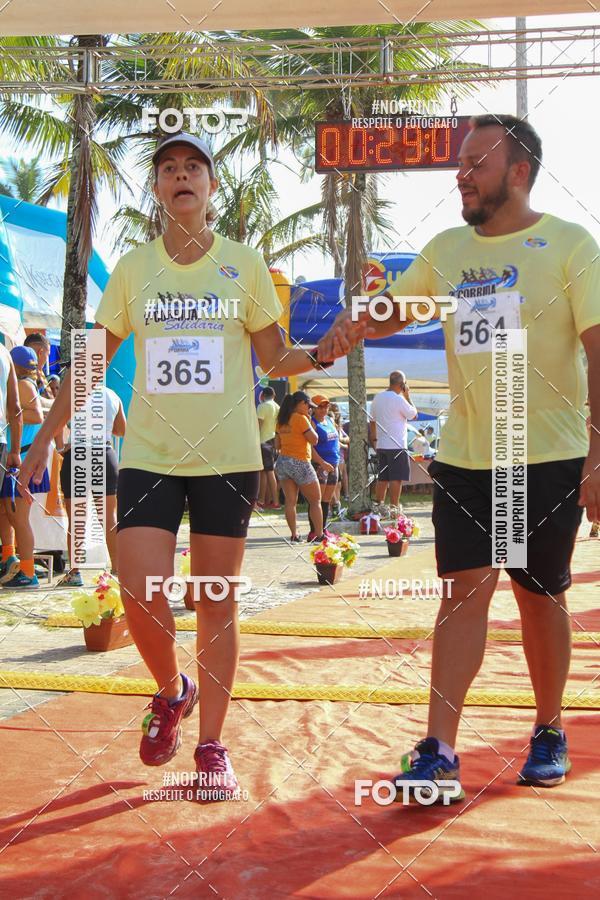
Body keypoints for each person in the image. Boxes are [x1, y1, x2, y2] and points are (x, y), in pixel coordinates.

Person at [19, 132, 333, 798]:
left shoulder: (244, 264)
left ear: (211, 187)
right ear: (158, 190)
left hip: (226, 460)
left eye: (193, 167)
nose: (180, 176)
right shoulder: (134, 269)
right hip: (151, 459)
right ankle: (173, 689)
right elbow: (92, 360)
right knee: (139, 592)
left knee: (214, 603)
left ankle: (213, 746)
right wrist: (46, 437)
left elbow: (274, 358)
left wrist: (325, 354)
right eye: (167, 169)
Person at [318, 114, 600, 799]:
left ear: (520, 172)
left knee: (539, 600)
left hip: (546, 458)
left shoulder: (570, 245)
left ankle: (548, 727)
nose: (462, 175)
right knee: (461, 596)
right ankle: (439, 747)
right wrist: (354, 322)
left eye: (477, 163)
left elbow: (599, 350)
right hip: (469, 458)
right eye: (462, 163)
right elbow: (399, 308)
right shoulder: (447, 250)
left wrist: (598, 455)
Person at [55, 383, 127, 587]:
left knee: (76, 517)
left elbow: (56, 423)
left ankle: (74, 572)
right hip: (104, 453)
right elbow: (121, 430)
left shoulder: (71, 392)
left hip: (77, 453)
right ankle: (117, 570)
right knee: (109, 517)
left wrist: (62, 446)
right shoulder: (112, 395)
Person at [0, 345, 48, 589]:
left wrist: (9, 414)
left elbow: (37, 415)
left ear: (14, 367)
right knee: (8, 515)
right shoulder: (27, 383)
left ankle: (28, 573)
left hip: (22, 459)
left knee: (19, 518)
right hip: (19, 457)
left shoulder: (23, 385)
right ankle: (11, 559)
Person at [274, 391, 324, 543]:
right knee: (315, 501)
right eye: (308, 405)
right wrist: (309, 421)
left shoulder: (281, 420)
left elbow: (277, 445)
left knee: (290, 502)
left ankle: (294, 535)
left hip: (283, 462)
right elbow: (314, 440)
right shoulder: (301, 418)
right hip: (300, 462)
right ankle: (320, 535)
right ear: (301, 403)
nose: (310, 409)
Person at [369, 371, 417, 519]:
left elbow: (372, 421)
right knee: (396, 478)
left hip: (382, 445)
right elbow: (414, 415)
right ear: (402, 384)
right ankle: (395, 509)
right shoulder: (399, 399)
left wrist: (375, 441)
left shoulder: (377, 397)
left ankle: (379, 506)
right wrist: (407, 396)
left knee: (383, 477)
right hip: (397, 445)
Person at [0, 342, 23, 581]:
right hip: (2, 442)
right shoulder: (5, 353)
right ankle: (9, 555)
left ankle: (9, 555)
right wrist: (15, 450)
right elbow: (15, 408)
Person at [308, 395, 340, 539]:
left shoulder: (329, 420)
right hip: (320, 464)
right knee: (317, 500)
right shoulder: (312, 422)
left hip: (334, 463)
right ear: (313, 408)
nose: (323, 409)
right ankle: (314, 531)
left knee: (327, 500)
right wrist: (322, 463)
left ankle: (323, 529)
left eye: (326, 406)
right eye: (320, 406)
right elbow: (310, 447)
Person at [256, 386, 280, 510]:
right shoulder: (277, 407)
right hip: (273, 441)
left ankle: (275, 502)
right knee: (264, 472)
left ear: (262, 396)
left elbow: (258, 426)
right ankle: (263, 500)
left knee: (268, 472)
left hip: (263, 441)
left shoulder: (262, 406)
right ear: (274, 396)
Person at [24, 333, 53, 410]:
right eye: (48, 355)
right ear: (40, 352)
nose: (47, 359)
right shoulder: (27, 373)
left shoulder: (38, 371)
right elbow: (34, 401)